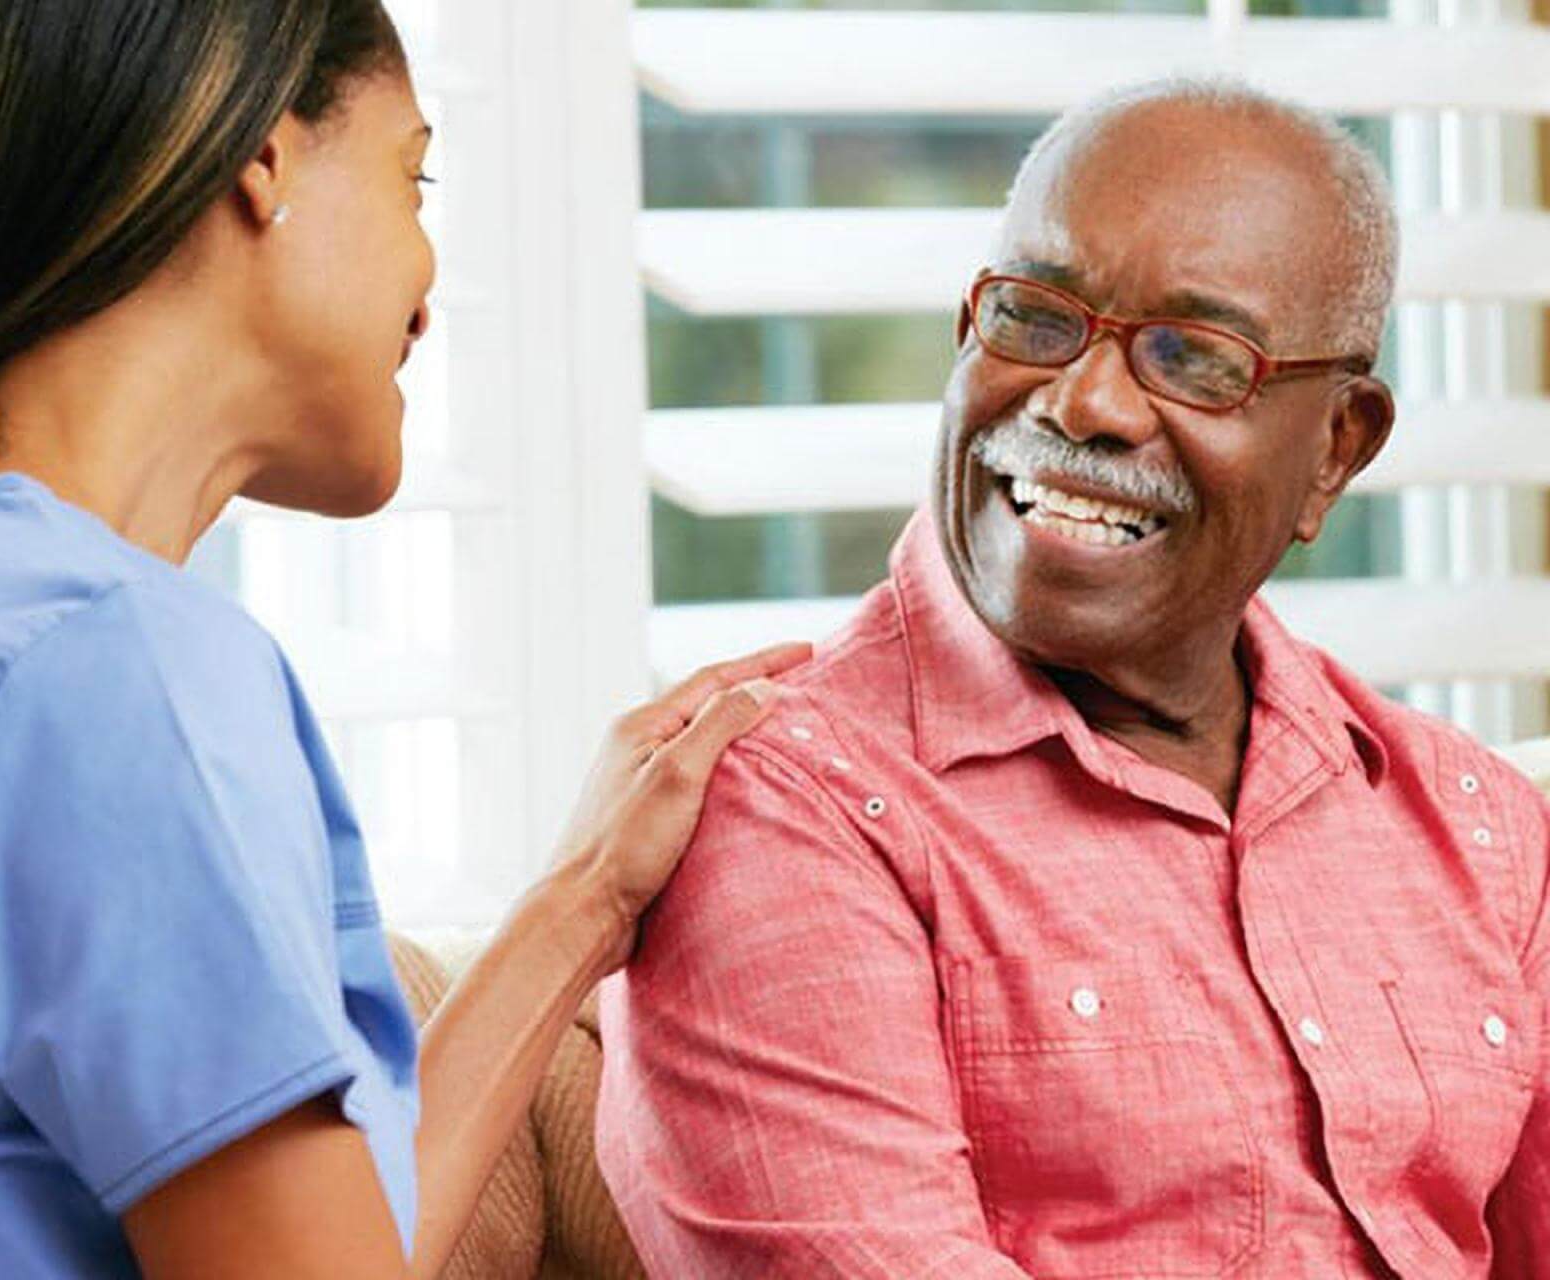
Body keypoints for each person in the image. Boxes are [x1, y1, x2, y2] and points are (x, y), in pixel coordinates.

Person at [0, 3, 809, 1276]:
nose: (425, 290)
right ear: (264, 160)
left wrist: (585, 900)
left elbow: (329, 1239)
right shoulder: (100, 659)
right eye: (413, 176)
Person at [598, 79, 1549, 1278]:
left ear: (1338, 450)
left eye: (1195, 358)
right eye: (1038, 318)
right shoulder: (790, 809)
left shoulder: (1480, 831)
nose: (1084, 403)